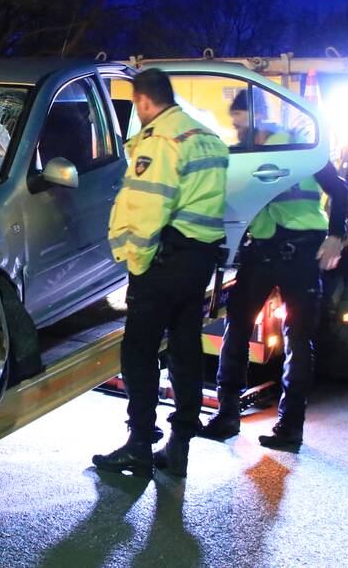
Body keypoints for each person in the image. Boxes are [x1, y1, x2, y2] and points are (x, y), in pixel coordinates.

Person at [93, 68, 228, 478]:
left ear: (144, 101)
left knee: (138, 351)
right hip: (199, 259)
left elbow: (150, 206)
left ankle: (138, 443)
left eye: (137, 105)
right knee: (185, 348)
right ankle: (180, 445)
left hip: (163, 261)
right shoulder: (206, 136)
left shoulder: (163, 140)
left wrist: (136, 261)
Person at [199, 90, 348, 449]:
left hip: (301, 252)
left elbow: (340, 191)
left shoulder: (299, 147)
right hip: (263, 249)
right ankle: (227, 415)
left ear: (257, 117)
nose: (236, 132)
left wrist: (336, 236)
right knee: (236, 328)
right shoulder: (246, 153)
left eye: (240, 124)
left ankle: (290, 427)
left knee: (297, 338)